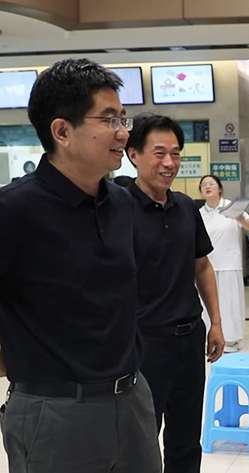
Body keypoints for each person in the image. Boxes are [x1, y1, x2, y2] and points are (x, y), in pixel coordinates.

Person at [0, 58, 161, 472]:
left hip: (132, 399)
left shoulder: (122, 203)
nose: (123, 132)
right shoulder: (14, 210)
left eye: (123, 118)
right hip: (55, 413)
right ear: (62, 132)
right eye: (109, 120)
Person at [127, 113, 225, 473]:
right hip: (143, 343)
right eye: (159, 153)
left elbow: (202, 266)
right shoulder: (118, 208)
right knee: (140, 440)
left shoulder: (185, 207)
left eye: (176, 154)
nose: (169, 163)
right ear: (134, 154)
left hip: (189, 338)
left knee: (186, 440)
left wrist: (216, 323)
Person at [199, 174, 249, 353]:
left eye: (211, 184)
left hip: (229, 263)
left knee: (229, 302)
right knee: (207, 303)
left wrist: (241, 219)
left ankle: (231, 338)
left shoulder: (231, 207)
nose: (207, 187)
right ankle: (208, 338)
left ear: (220, 188)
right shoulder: (199, 213)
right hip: (206, 266)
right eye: (204, 185)